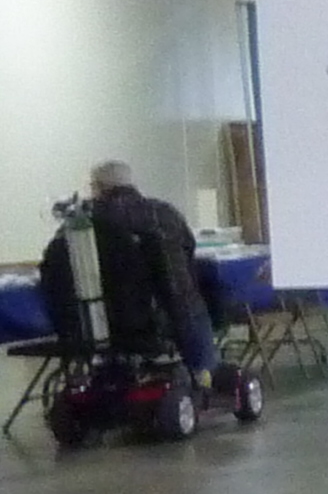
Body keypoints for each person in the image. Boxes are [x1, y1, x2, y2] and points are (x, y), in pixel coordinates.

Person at [56, 160, 218, 381]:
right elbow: (189, 247)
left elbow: (63, 261)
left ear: (99, 187)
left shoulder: (89, 219)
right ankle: (205, 375)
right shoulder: (165, 211)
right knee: (193, 300)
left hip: (118, 318)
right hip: (178, 309)